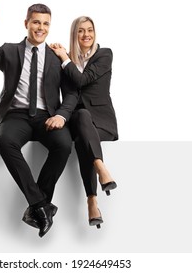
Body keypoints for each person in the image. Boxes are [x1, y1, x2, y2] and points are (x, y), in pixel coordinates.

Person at [0, 0, 78, 237]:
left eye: (46, 24)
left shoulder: (57, 56)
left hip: (48, 117)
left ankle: (39, 205)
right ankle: (40, 205)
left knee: (63, 145)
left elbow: (71, 94)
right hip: (16, 115)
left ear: (50, 26)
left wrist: (61, 115)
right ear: (26, 23)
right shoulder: (10, 51)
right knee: (5, 142)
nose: (41, 28)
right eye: (36, 22)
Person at [50, 16, 118, 229]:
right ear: (74, 35)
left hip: (101, 122)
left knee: (82, 132)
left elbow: (82, 80)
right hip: (78, 122)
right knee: (80, 118)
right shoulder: (67, 59)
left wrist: (64, 58)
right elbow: (69, 92)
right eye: (81, 31)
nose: (86, 34)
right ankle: (100, 168)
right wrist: (64, 57)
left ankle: (92, 199)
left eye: (90, 30)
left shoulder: (104, 54)